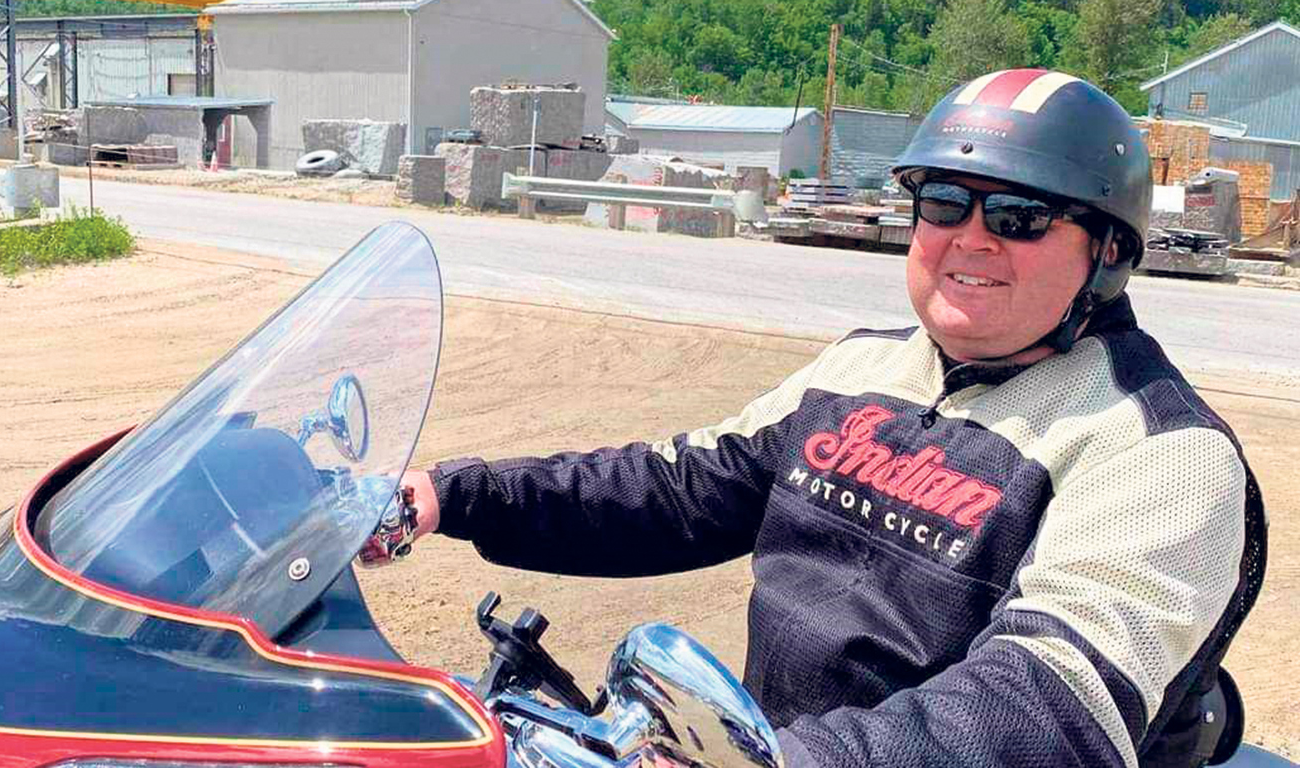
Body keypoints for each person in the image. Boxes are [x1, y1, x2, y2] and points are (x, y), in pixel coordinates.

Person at [400, 69, 1266, 768]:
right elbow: (681, 486)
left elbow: (1043, 702)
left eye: (1019, 215)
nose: (970, 237)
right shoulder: (865, 366)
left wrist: (792, 759)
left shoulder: (1159, 451)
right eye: (943, 202)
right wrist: (449, 496)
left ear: (1108, 252)